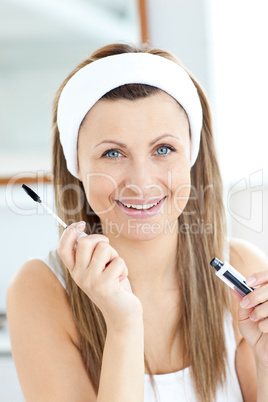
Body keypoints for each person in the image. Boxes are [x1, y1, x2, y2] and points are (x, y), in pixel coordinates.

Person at [6, 43, 268, 402]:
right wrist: (124, 325)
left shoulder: (243, 274)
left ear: (191, 155)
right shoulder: (41, 292)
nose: (141, 182)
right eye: (112, 153)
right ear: (76, 166)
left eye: (163, 149)